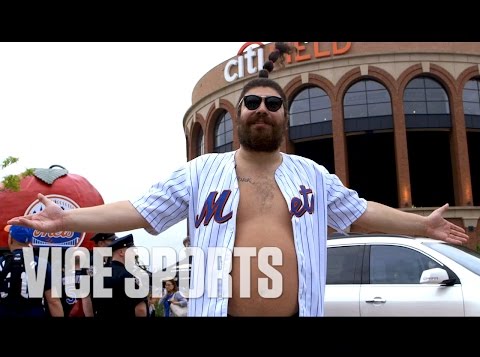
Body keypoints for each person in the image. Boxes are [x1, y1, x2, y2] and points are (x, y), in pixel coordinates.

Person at [7, 42, 469, 317]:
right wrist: (66, 220)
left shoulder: (312, 175)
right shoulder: (201, 172)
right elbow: (137, 210)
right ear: (239, 113)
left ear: (284, 116)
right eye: (253, 103)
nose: (262, 110)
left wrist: (421, 226)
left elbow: (362, 212)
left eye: (273, 104)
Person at [0, 225, 64, 317]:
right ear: (29, 242)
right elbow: (53, 301)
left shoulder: (1, 262)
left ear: (10, 239)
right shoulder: (42, 263)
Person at [93, 233, 148, 317]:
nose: (134, 254)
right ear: (121, 252)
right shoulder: (127, 275)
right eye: (132, 250)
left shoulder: (98, 275)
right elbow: (140, 309)